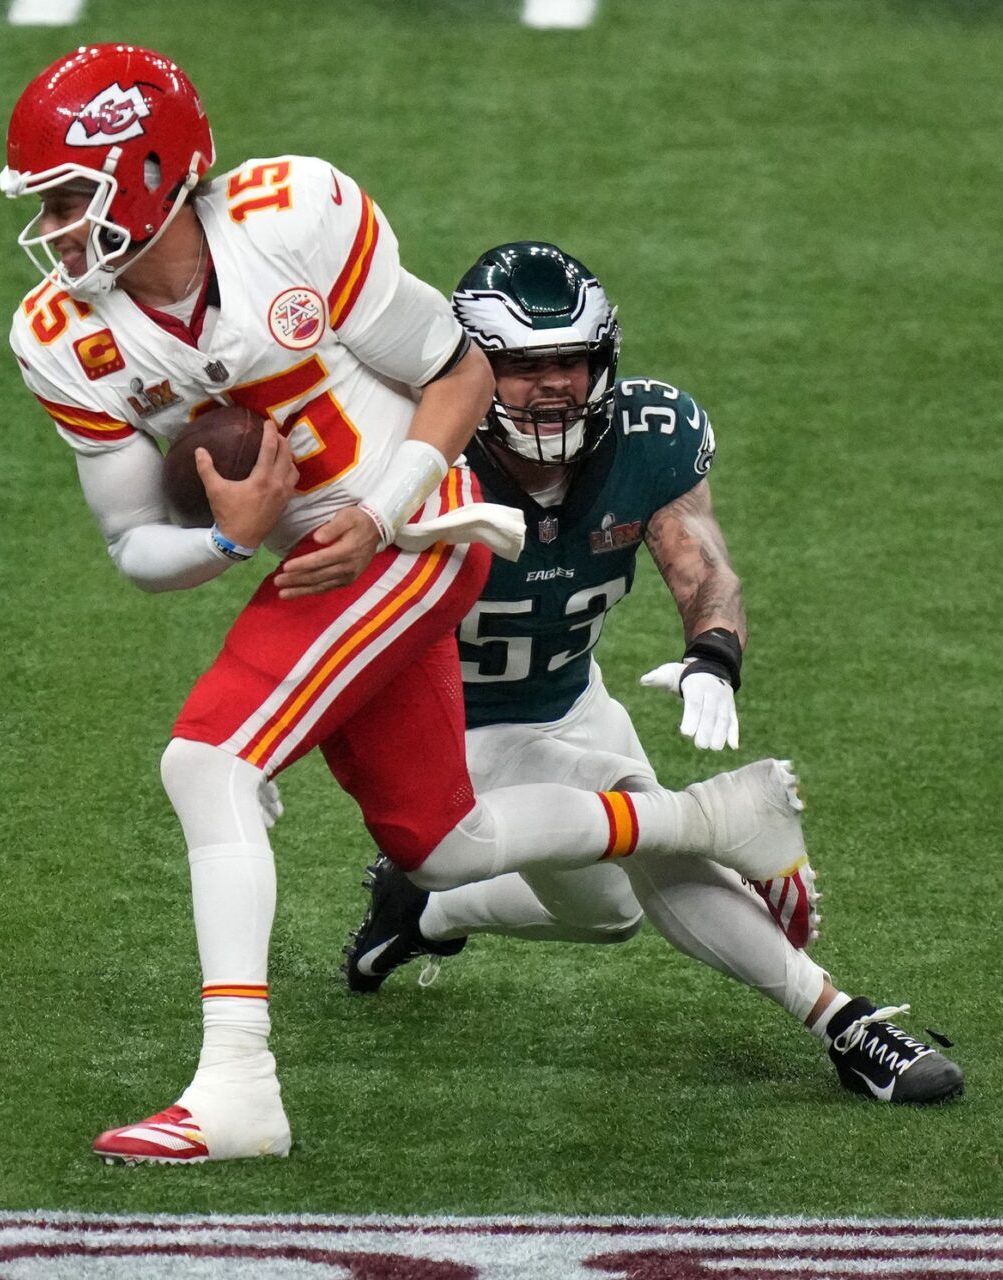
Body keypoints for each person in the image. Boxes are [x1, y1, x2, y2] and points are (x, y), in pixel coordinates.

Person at [0, 45, 815, 1164]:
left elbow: (461, 373)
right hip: (319, 564)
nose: (55, 225)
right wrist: (232, 534)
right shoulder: (61, 335)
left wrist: (383, 510)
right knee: (443, 844)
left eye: (70, 196)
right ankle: (710, 819)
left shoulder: (292, 216)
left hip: (422, 528)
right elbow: (135, 545)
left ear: (148, 172)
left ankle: (237, 1082)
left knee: (207, 760)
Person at [341, 243, 963, 1104]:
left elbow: (699, 562)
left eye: (571, 361)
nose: (552, 386)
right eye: (523, 367)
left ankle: (421, 913)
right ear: (472, 366)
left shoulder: (648, 436)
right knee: (653, 840)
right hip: (446, 726)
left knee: (613, 914)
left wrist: (714, 656)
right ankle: (844, 1022)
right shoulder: (407, 452)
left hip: (567, 700)